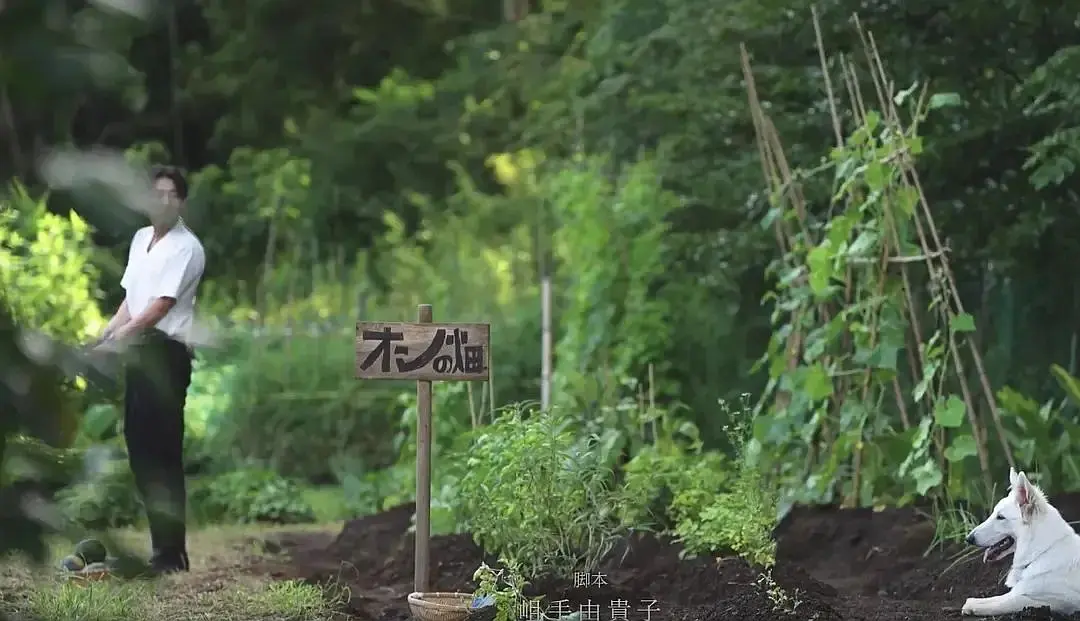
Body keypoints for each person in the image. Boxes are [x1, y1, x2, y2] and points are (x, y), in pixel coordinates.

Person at [96, 165, 205, 574]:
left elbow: (161, 305)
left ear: (181, 203)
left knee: (162, 451)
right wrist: (106, 333)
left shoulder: (187, 248)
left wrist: (121, 337)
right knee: (139, 447)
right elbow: (132, 297)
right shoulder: (142, 239)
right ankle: (162, 546)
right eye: (156, 193)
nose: (162, 201)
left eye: (171, 195)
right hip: (139, 353)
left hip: (165, 354)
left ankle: (171, 554)